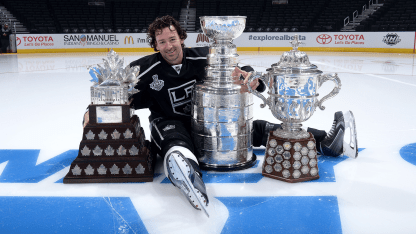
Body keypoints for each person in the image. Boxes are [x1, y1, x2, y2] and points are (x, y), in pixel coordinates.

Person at [83, 15, 358, 215]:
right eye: (161, 41)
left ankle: (326, 142)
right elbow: (116, 92)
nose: (168, 45)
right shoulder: (143, 68)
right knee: (172, 136)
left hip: (214, 126)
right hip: (169, 123)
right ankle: (185, 169)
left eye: (172, 38)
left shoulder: (206, 56)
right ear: (155, 45)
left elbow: (245, 71)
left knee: (257, 127)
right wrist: (91, 113)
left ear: (181, 37)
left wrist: (253, 81)